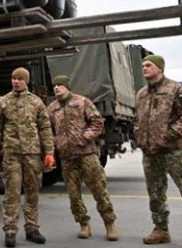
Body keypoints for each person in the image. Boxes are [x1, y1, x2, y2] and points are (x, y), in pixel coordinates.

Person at [134, 55, 182, 248]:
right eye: (143, 65)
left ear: (159, 68)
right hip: (151, 154)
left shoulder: (176, 89)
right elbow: (138, 119)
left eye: (148, 65)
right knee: (155, 195)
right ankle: (161, 230)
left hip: (175, 153)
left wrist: (167, 136)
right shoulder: (141, 93)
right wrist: (139, 135)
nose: (144, 68)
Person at [45, 75, 118, 241]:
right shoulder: (52, 108)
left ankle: (109, 223)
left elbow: (98, 122)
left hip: (87, 155)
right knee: (73, 194)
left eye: (60, 85)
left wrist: (85, 137)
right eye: (54, 85)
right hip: (67, 157)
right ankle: (84, 224)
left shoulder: (82, 102)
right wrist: (56, 142)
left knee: (98, 189)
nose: (56, 88)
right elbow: (46, 129)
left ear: (67, 87)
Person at [0, 67, 55, 247]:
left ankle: (32, 229)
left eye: (19, 79)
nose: (16, 81)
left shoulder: (36, 102)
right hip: (12, 155)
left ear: (26, 81)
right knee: (12, 194)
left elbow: (45, 129)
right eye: (13, 78)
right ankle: (10, 230)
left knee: (32, 193)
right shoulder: (3, 102)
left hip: (32, 155)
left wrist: (49, 152)